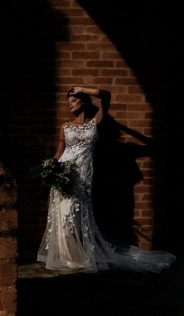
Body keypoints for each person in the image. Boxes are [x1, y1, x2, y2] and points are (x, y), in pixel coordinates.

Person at [36, 86, 176, 273]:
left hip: (83, 175)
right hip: (64, 174)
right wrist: (48, 168)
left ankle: (80, 254)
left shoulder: (95, 123)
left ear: (84, 101)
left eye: (74, 100)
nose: (70, 104)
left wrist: (80, 88)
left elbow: (106, 96)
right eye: (68, 102)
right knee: (64, 212)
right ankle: (69, 257)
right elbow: (60, 153)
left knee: (76, 213)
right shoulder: (65, 127)